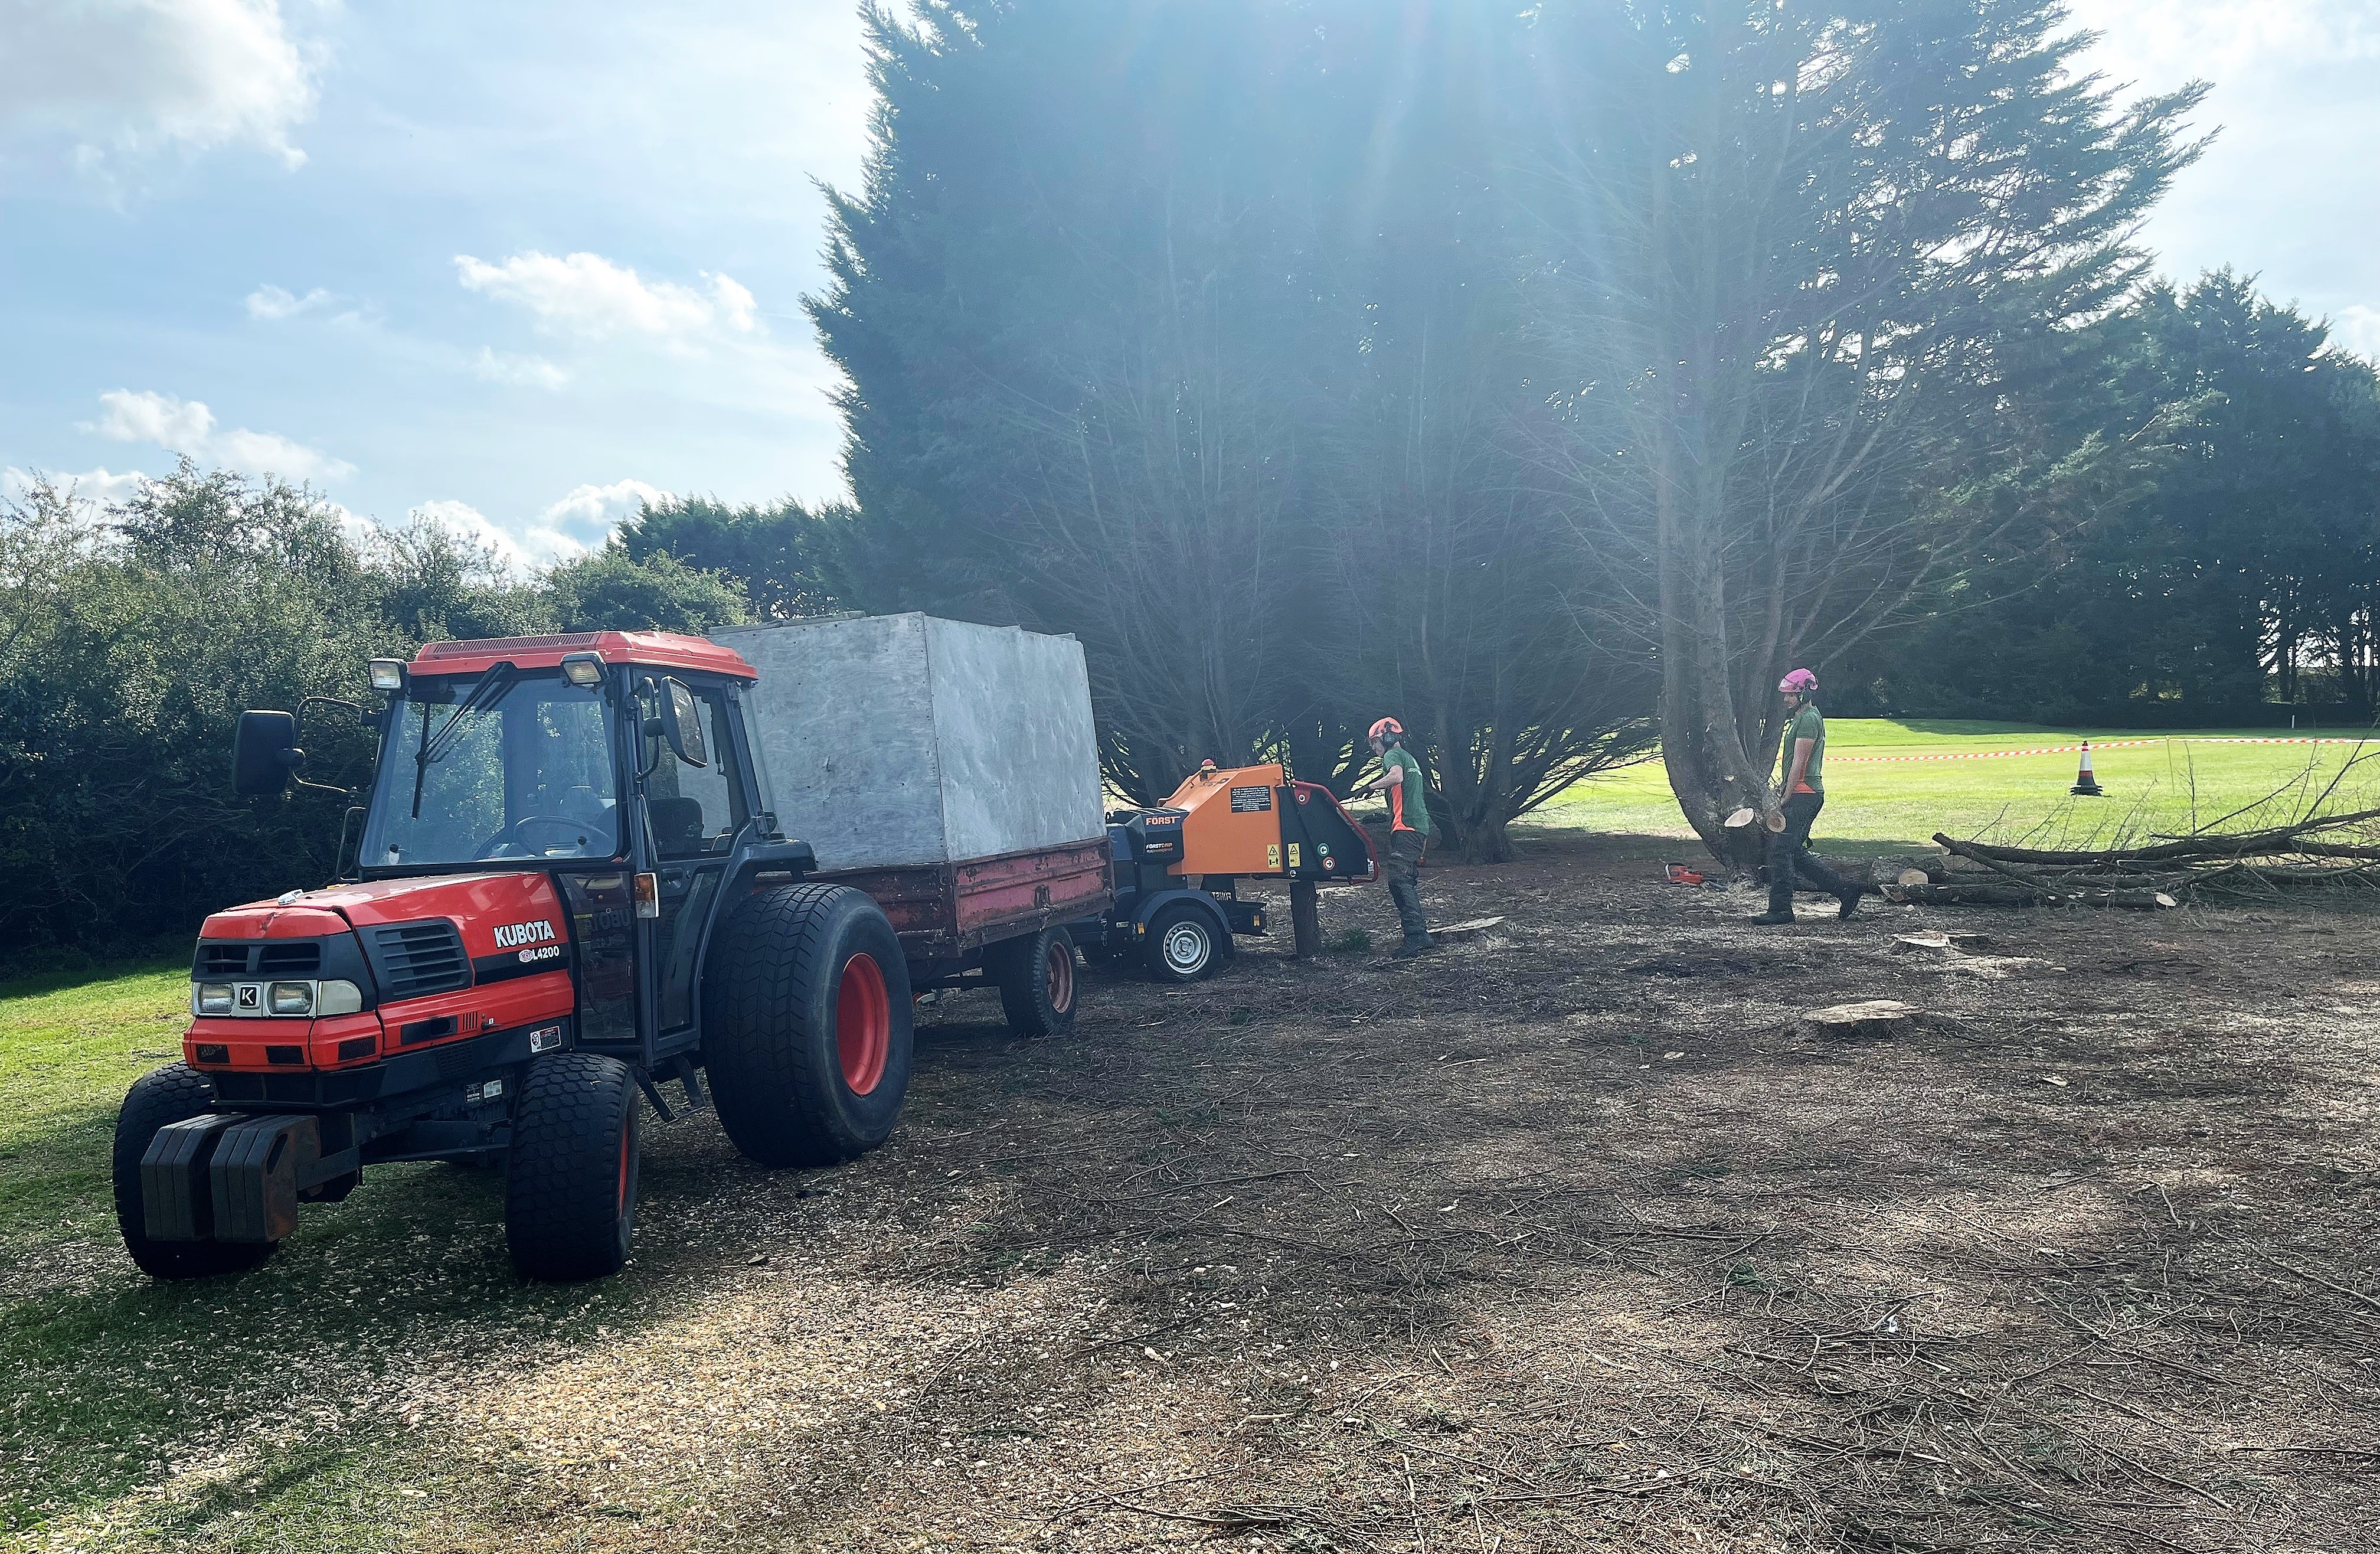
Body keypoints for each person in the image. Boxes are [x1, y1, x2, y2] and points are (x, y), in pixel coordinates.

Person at [1750, 669, 1864, 926]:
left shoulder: (1809, 719)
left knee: (1780, 852)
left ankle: (1781, 910)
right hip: (1803, 793)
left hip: (1805, 794)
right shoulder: (1801, 718)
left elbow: (1800, 763)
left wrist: (1786, 796)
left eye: (1791, 695)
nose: (1786, 699)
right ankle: (1845, 890)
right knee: (1794, 853)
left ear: (1805, 693)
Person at [1347, 716, 1434, 956]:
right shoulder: (1411, 758)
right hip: (1417, 826)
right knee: (1405, 878)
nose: (1373, 747)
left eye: (1374, 741)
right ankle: (1419, 934)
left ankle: (1417, 937)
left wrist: (1369, 787)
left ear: (1387, 738)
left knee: (1399, 880)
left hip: (1406, 826)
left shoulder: (1392, 756)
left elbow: (1396, 777)